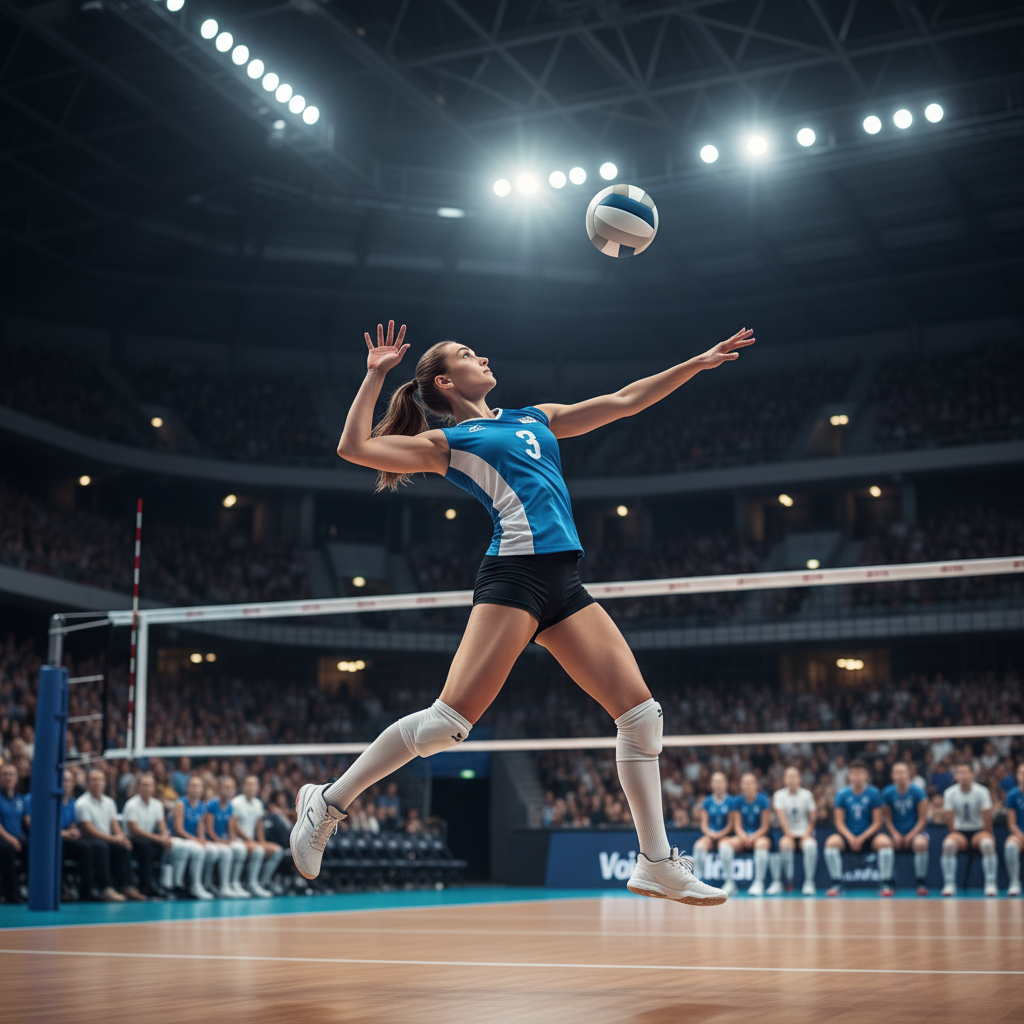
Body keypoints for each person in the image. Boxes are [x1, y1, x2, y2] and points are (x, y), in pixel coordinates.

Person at [290, 320, 756, 907]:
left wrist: (697, 361)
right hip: (514, 576)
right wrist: (375, 376)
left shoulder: (533, 417)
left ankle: (656, 862)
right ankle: (328, 802)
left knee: (641, 715)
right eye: (466, 354)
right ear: (445, 380)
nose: (481, 355)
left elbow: (624, 400)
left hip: (564, 579)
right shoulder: (450, 442)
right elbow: (353, 448)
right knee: (446, 724)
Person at [75, 768, 144, 901]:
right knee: (102, 847)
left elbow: (114, 825)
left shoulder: (109, 802)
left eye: (100, 780)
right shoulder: (82, 803)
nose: (97, 783)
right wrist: (113, 839)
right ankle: (106, 888)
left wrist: (121, 838)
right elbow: (88, 829)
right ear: (88, 783)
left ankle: (126, 886)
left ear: (105, 783)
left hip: (106, 839)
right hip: (90, 840)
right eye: (94, 780)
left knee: (123, 846)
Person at [824, 759, 888, 898]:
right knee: (831, 843)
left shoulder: (874, 793)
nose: (857, 777)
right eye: (854, 773)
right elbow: (839, 822)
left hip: (868, 836)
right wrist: (851, 838)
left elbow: (877, 823)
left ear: (866, 775)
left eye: (860, 773)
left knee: (885, 843)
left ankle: (886, 883)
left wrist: (862, 838)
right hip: (848, 836)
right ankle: (836, 883)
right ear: (849, 776)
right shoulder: (842, 794)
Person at [941, 762, 998, 897]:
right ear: (955, 776)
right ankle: (949, 884)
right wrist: (956, 835)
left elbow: (987, 819)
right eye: (959, 773)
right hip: (959, 832)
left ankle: (991, 883)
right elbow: (949, 820)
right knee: (948, 845)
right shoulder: (949, 793)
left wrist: (986, 834)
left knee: (988, 844)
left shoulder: (982, 792)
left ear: (972, 774)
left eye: (966, 772)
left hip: (979, 830)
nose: (963, 776)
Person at [230, 774, 286, 897]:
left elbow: (258, 826)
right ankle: (250, 884)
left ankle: (263, 883)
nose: (251, 787)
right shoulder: (236, 802)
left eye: (254, 785)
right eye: (249, 784)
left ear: (258, 788)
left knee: (278, 851)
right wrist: (249, 840)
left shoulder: (258, 803)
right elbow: (234, 826)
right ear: (243, 786)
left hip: (251, 841)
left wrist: (262, 841)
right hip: (239, 840)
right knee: (259, 851)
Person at [881, 762, 929, 896]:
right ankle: (887, 882)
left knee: (921, 843)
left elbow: (922, 820)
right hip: (894, 833)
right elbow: (887, 820)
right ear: (892, 775)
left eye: (902, 772)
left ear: (909, 774)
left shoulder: (918, 792)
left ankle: (921, 882)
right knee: (884, 844)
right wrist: (895, 834)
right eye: (896, 772)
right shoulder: (887, 792)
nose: (900, 776)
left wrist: (909, 835)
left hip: (915, 832)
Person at [123, 772, 174, 898]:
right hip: (132, 840)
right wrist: (158, 837)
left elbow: (162, 825)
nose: (147, 788)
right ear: (139, 787)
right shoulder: (131, 804)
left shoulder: (157, 805)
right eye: (144, 785)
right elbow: (134, 830)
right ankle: (146, 885)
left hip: (149, 839)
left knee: (166, 846)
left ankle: (165, 884)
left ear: (154, 787)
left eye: (150, 785)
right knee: (146, 847)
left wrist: (165, 837)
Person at [770, 765, 818, 896]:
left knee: (810, 845)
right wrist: (789, 835)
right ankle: (788, 881)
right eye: (789, 777)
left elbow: (813, 818)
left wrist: (807, 834)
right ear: (785, 779)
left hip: (804, 833)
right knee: (785, 844)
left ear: (799, 779)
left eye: (794, 776)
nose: (792, 780)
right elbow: (781, 818)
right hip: (788, 833)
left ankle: (809, 882)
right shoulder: (779, 795)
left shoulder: (807, 795)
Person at [204, 776, 249, 898]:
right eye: (226, 787)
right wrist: (220, 841)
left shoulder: (230, 806)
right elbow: (209, 830)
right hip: (211, 840)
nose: (228, 790)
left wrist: (231, 839)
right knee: (227, 852)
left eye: (231, 788)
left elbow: (231, 827)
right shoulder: (212, 804)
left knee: (241, 849)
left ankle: (234, 883)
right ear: (220, 789)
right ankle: (223, 886)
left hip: (223, 840)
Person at [727, 772, 771, 896]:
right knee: (725, 845)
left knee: (762, 844)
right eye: (745, 783)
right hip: (743, 836)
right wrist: (743, 836)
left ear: (756, 785)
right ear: (741, 785)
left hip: (759, 836)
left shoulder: (763, 800)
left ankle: (759, 882)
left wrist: (753, 837)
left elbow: (765, 826)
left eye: (751, 783)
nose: (748, 786)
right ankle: (730, 882)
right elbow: (737, 825)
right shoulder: (737, 801)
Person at [172, 775, 215, 899]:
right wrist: (196, 840)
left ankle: (207, 884)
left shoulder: (202, 806)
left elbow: (200, 827)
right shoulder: (181, 804)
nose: (196, 789)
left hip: (192, 840)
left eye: (198, 786)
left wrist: (202, 839)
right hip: (179, 840)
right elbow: (178, 830)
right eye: (193, 786)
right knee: (198, 850)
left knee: (213, 851)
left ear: (202, 790)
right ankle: (192, 885)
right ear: (187, 788)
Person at [694, 771, 736, 894]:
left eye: (720, 781)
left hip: (726, 835)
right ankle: (697, 881)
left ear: (726, 784)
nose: (718, 784)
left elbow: (731, 824)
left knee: (725, 848)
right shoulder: (706, 801)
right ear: (711, 784)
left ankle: (730, 882)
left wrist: (721, 834)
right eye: (715, 781)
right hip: (710, 835)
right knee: (699, 846)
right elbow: (704, 824)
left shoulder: (731, 801)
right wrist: (710, 833)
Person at [0, 762, 27, 903]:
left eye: (11, 774)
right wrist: (11, 839)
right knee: (8, 850)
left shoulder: (20, 799)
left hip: (18, 838)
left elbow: (25, 821)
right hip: (3, 839)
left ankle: (30, 889)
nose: (8, 778)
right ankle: (10, 893)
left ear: (16, 778)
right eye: (4, 774)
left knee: (33, 848)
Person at [1004, 762, 1023, 898]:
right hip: (1020, 833)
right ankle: (1014, 882)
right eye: (1022, 773)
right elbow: (1011, 824)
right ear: (1017, 776)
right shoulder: (1012, 794)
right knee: (1010, 846)